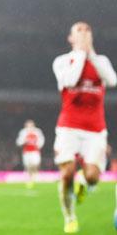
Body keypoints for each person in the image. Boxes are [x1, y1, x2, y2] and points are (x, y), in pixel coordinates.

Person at [53, 22, 116, 234]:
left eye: (87, 31)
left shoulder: (101, 61)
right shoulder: (62, 61)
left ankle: (83, 181)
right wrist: (80, 53)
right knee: (67, 172)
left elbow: (112, 80)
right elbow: (70, 81)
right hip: (68, 127)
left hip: (95, 129)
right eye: (78, 31)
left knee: (92, 177)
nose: (83, 34)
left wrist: (91, 54)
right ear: (70, 38)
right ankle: (70, 217)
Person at [15, 119, 44, 188]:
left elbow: (41, 140)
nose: (29, 127)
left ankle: (34, 177)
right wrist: (24, 141)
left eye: (31, 125)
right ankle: (29, 179)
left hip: (35, 152)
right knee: (28, 166)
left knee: (35, 163)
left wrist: (39, 145)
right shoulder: (23, 132)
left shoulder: (37, 132)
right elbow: (18, 142)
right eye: (28, 125)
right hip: (27, 152)